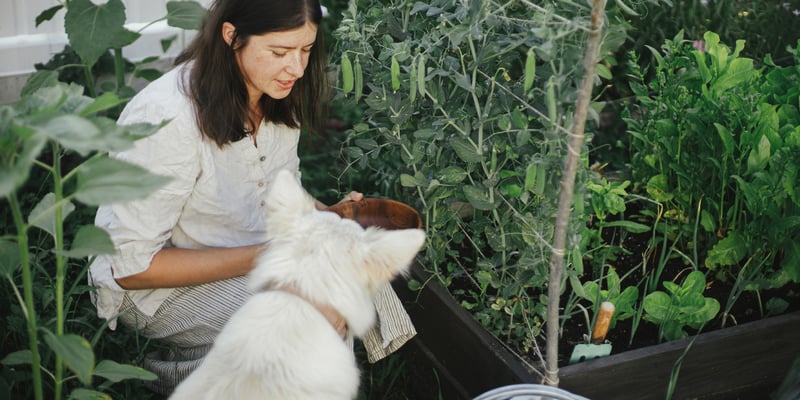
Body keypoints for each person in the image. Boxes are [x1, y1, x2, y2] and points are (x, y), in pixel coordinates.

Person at [88, 0, 416, 394]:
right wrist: (272, 254)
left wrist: (327, 217)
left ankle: (203, 370)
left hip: (242, 249)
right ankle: (187, 374)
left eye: (306, 51)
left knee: (351, 270)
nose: (297, 68)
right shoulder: (167, 118)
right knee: (313, 313)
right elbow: (131, 267)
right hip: (153, 289)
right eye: (279, 52)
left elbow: (275, 184)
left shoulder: (273, 93)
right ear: (232, 37)